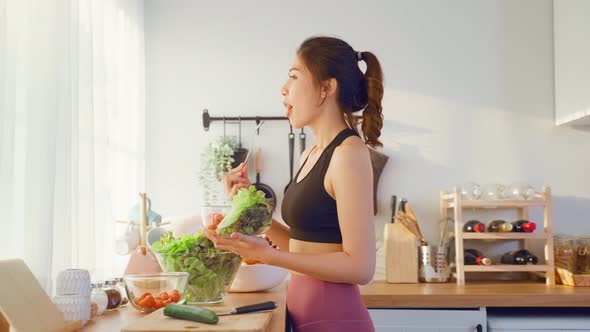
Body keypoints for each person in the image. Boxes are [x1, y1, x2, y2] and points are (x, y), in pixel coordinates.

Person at [204, 35, 384, 332]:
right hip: (305, 315)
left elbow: (360, 267)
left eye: (293, 76)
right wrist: (246, 202)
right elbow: (303, 247)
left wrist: (270, 255)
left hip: (336, 321)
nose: (283, 89)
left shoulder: (349, 154)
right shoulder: (309, 154)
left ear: (327, 88)